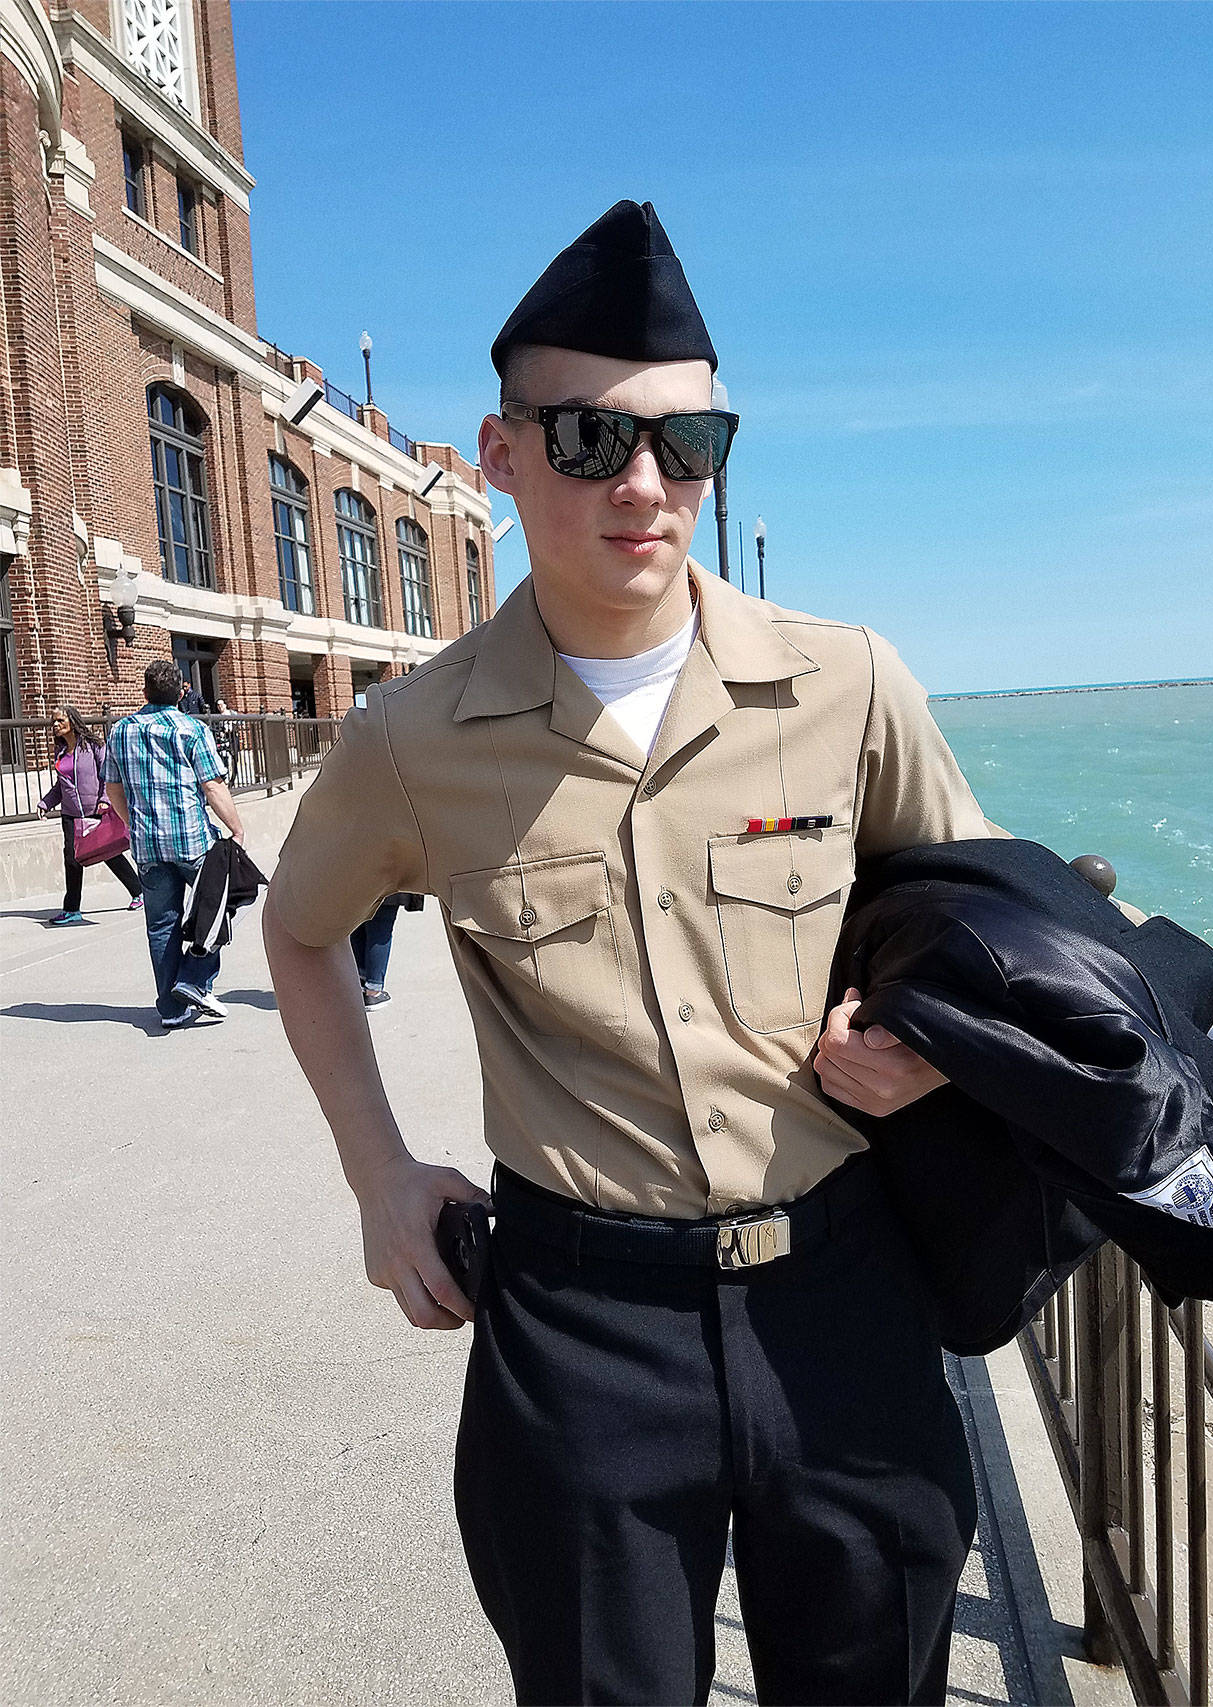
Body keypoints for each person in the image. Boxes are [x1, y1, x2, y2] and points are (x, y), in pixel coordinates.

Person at [264, 201, 988, 1706]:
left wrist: (925, 1031)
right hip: (583, 1329)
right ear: (501, 452)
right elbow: (301, 925)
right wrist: (380, 1176)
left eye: (689, 443)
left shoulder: (846, 679)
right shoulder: (413, 737)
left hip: (844, 1298)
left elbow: (982, 919)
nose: (646, 484)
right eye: (591, 440)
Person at [103, 658, 245, 1029]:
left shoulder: (120, 731)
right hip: (191, 840)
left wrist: (132, 824)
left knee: (161, 925)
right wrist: (236, 829)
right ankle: (195, 979)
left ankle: (170, 1008)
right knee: (217, 908)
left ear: (144, 691)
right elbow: (212, 786)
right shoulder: (191, 729)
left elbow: (113, 789)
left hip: (148, 845)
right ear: (181, 691)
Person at [37, 705, 143, 923]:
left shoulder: (94, 746)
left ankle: (139, 891)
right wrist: (46, 803)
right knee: (72, 857)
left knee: (108, 853)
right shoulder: (60, 752)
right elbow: (61, 786)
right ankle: (72, 909)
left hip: (95, 808)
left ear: (73, 722)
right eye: (53, 722)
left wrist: (105, 800)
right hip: (70, 813)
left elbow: (108, 776)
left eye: (60, 721)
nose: (55, 725)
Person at [348, 892, 424, 1009]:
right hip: (387, 886)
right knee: (380, 930)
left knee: (359, 926)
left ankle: (360, 983)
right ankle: (373, 991)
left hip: (357, 884)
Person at [212, 697, 240, 787]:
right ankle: (226, 778)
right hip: (224, 739)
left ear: (225, 705)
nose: (220, 707)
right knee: (224, 758)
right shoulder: (218, 717)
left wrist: (233, 728)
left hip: (232, 737)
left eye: (221, 704)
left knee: (235, 758)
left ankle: (233, 778)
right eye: (218, 705)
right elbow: (217, 728)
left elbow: (239, 723)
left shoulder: (232, 713)